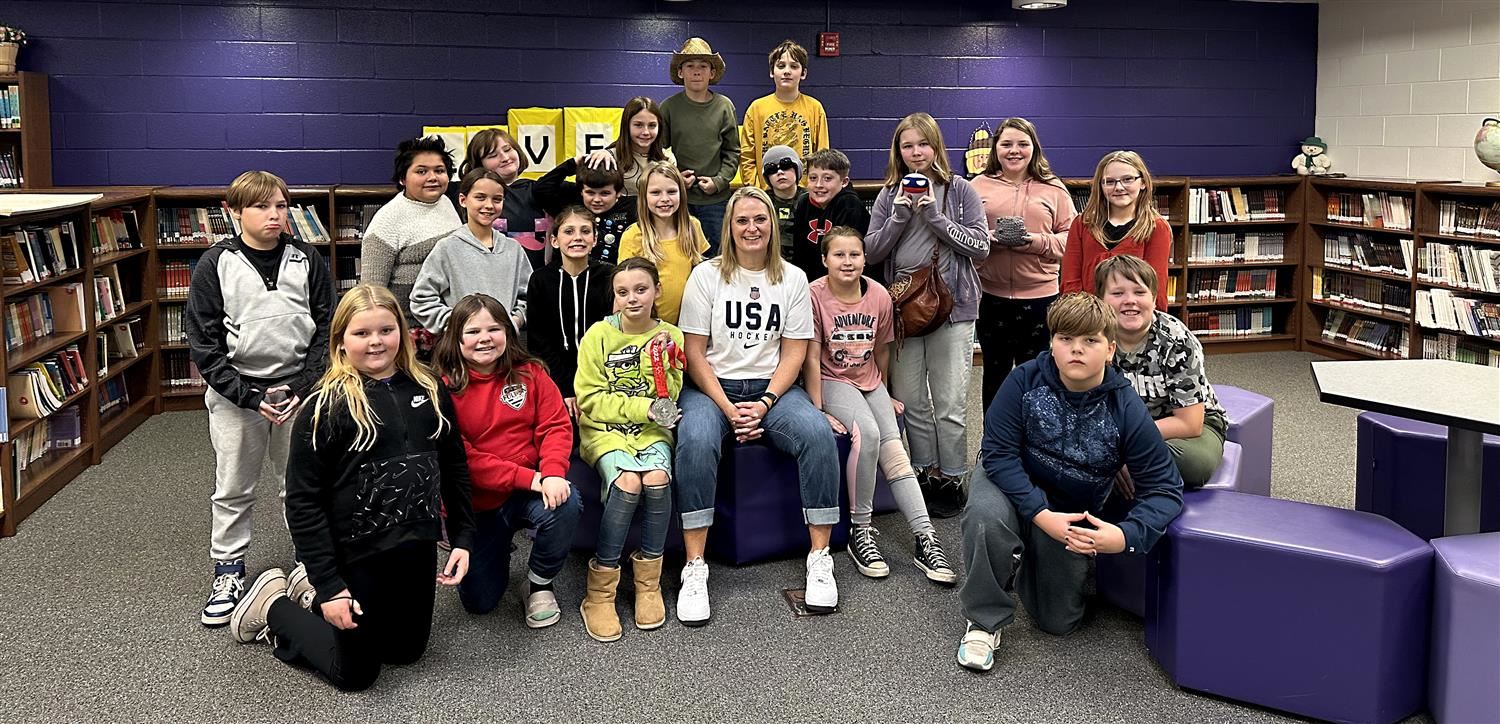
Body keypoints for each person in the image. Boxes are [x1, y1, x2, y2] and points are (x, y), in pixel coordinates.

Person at [226, 284, 475, 691]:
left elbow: (453, 465)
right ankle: (274, 604)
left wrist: (463, 537)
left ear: (404, 332)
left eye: (386, 330)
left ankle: (311, 594)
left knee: (405, 654)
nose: (376, 342)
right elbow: (303, 502)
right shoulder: (325, 404)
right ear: (341, 341)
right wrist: (331, 586)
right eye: (361, 333)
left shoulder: (430, 388)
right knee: (357, 675)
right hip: (356, 556)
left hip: (415, 547)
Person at [956, 292, 1183, 672]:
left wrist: (1125, 537)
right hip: (1011, 482)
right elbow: (997, 454)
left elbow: (1164, 488)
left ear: (1110, 349)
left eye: (1090, 341)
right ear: (1052, 343)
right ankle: (983, 619)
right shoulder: (1023, 381)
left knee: (1058, 623)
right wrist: (1040, 514)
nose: (1076, 350)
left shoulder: (1125, 407)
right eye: (1065, 339)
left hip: (1070, 506)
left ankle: (1027, 552)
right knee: (985, 516)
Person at [673, 187, 841, 625]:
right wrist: (729, 408)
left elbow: (794, 352)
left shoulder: (793, 278)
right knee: (694, 440)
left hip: (773, 389)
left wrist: (765, 403)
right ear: (729, 227)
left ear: (772, 225)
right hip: (713, 388)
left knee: (818, 435)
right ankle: (695, 567)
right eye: (742, 220)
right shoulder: (705, 277)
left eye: (760, 220)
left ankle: (820, 558)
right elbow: (693, 353)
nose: (752, 228)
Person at [188, 170, 335, 627]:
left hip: (300, 393)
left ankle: (309, 562)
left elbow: (328, 327)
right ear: (234, 212)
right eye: (261, 207)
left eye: (280, 205)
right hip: (238, 396)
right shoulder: (215, 264)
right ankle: (228, 570)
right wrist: (249, 397)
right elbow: (204, 345)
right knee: (233, 487)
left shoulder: (307, 257)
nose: (274, 215)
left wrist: (305, 385)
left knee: (303, 483)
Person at [802, 227, 955, 584]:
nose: (847, 261)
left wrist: (884, 391)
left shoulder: (880, 296)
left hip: (868, 380)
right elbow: (810, 357)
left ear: (865, 258)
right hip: (832, 379)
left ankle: (925, 537)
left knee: (895, 451)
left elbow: (882, 349)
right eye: (838, 254)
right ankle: (861, 531)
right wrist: (818, 408)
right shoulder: (813, 294)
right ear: (824, 260)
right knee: (867, 434)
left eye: (854, 254)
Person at [864, 112, 989, 519]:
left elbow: (980, 246)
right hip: (903, 311)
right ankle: (923, 472)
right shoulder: (887, 195)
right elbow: (872, 252)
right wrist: (901, 214)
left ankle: (952, 475)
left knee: (951, 402)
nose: (916, 153)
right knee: (912, 401)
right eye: (907, 145)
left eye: (923, 144)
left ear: (936, 147)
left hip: (952, 310)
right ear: (898, 152)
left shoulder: (960, 190)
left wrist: (934, 215)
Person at [430, 293, 582, 627]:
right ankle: (494, 546)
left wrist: (553, 472)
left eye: (494, 328)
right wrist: (531, 478)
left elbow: (555, 425)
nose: (484, 338)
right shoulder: (441, 390)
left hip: (529, 488)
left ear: (507, 333)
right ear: (456, 338)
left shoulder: (531, 373)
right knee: (480, 603)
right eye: (472, 331)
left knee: (567, 501)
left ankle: (539, 582)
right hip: (478, 503)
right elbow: (463, 460)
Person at [574, 258, 686, 642]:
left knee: (656, 480)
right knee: (627, 484)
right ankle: (600, 592)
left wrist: (666, 364)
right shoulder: (597, 336)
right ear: (614, 297)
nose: (632, 298)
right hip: (605, 431)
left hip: (652, 430)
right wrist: (643, 408)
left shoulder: (671, 334)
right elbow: (590, 399)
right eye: (622, 292)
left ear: (657, 292)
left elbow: (668, 398)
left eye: (641, 290)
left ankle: (648, 582)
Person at [970, 117, 1077, 409]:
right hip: (990, 298)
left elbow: (1072, 240)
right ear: (996, 149)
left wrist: (1035, 242)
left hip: (1040, 298)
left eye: (1022, 144)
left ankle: (1036, 446)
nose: (1013, 150)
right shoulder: (978, 185)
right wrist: (988, 240)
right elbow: (963, 235)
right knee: (995, 375)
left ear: (1034, 148)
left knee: (1039, 377)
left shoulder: (1053, 188)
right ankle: (994, 447)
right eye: (1006, 144)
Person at [1095, 255, 1226, 487]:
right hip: (1116, 428)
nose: (1129, 301)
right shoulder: (1092, 336)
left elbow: (1190, 424)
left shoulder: (1176, 340)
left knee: (1195, 464)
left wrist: (1122, 448)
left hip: (1185, 428)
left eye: (1139, 292)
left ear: (1154, 299)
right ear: (1101, 299)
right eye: (1117, 294)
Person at [409, 169, 533, 334]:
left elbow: (530, 297)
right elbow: (421, 300)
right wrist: (459, 325)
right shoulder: (447, 248)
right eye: (480, 197)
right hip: (461, 351)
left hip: (505, 349)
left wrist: (514, 321)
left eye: (497, 199)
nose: (489, 205)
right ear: (463, 200)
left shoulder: (513, 249)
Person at [360, 136, 462, 326]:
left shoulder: (447, 203)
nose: (432, 178)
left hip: (451, 321)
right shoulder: (386, 222)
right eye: (421, 171)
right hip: (411, 328)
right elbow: (372, 293)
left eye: (439, 170)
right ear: (402, 178)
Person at [526, 205, 615, 417]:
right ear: (554, 241)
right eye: (569, 231)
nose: (578, 237)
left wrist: (593, 385)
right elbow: (538, 342)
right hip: (556, 376)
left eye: (585, 231)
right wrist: (566, 388)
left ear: (595, 239)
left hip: (602, 375)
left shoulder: (609, 277)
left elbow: (616, 333)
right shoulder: (541, 280)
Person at [1061, 150, 1171, 311]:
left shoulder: (1156, 227)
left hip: (1131, 316)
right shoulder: (1082, 224)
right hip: (1088, 318)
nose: (1119, 187)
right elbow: (1070, 280)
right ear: (1100, 186)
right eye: (1109, 181)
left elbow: (1156, 285)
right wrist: (1080, 316)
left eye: (1127, 179)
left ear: (1143, 183)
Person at [659, 37, 740, 256]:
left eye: (703, 66)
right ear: (680, 72)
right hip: (678, 199)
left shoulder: (724, 106)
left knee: (715, 256)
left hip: (715, 200)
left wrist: (719, 181)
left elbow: (732, 151)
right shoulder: (668, 107)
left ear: (712, 73)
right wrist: (675, 180)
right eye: (690, 66)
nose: (697, 71)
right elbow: (659, 153)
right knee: (679, 252)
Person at [617, 162, 709, 325]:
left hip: (687, 324)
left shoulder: (693, 227)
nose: (664, 199)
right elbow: (623, 289)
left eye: (672, 192)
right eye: (655, 193)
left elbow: (702, 276)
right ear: (644, 197)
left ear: (682, 193)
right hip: (646, 326)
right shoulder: (633, 236)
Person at [738, 39, 829, 192]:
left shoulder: (815, 108)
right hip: (766, 193)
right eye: (781, 66)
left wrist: (813, 190)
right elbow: (747, 155)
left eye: (794, 66)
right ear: (772, 72)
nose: (787, 71)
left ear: (803, 73)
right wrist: (757, 189)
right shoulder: (757, 108)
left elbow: (822, 155)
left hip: (804, 194)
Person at [455, 128, 548, 270]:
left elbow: (589, 188)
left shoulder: (541, 190)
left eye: (508, 149)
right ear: (480, 165)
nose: (505, 158)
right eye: (493, 155)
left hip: (536, 282)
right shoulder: (465, 193)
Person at [533, 153, 636, 266]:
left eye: (605, 193)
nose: (597, 199)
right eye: (590, 193)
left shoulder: (633, 207)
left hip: (613, 278)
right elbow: (540, 189)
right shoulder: (571, 201)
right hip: (568, 277)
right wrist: (574, 163)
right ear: (581, 191)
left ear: (618, 193)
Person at [790, 148, 871, 281]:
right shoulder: (804, 202)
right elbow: (799, 252)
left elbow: (845, 255)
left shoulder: (850, 204)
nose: (819, 185)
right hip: (810, 281)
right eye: (813, 178)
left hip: (843, 281)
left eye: (827, 178)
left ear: (844, 182)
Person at [593, 96, 676, 202]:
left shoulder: (667, 159)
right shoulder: (609, 158)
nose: (646, 132)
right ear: (626, 126)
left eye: (652, 125)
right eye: (638, 125)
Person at [762, 144, 805, 259]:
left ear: (797, 169)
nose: (780, 172)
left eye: (786, 166)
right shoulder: (762, 203)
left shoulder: (810, 200)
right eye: (772, 169)